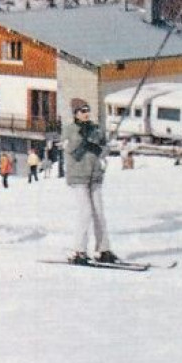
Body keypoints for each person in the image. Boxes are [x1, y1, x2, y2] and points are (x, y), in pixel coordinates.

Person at [64, 98, 117, 264]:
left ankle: (103, 249)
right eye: (82, 111)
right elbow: (70, 149)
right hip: (78, 177)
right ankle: (78, 250)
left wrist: (101, 145)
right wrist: (85, 141)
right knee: (85, 212)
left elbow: (104, 148)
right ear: (76, 113)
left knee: (99, 213)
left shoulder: (96, 129)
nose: (86, 114)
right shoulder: (70, 130)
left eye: (87, 110)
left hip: (94, 176)